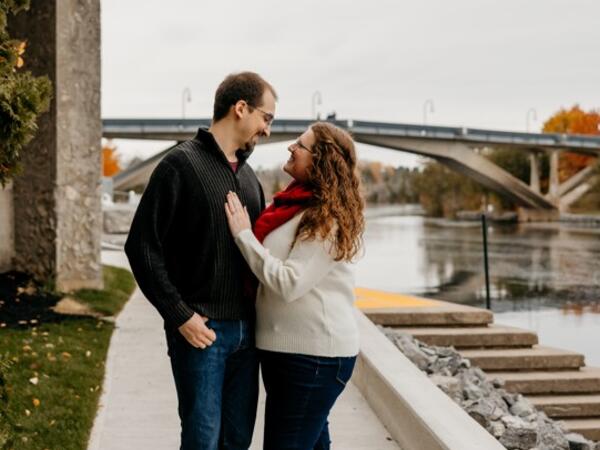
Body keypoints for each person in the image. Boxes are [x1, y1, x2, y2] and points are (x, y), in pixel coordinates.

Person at [124, 71, 277, 450]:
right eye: (266, 117)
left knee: (236, 441)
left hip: (247, 335)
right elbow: (141, 246)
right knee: (201, 442)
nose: (268, 130)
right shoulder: (180, 165)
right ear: (240, 108)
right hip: (203, 335)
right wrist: (180, 315)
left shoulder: (250, 178)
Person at [224, 121, 365, 450]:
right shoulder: (291, 207)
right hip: (291, 355)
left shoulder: (327, 218)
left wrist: (244, 236)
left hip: (313, 359)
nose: (291, 147)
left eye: (301, 145)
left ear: (321, 160)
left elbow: (289, 283)